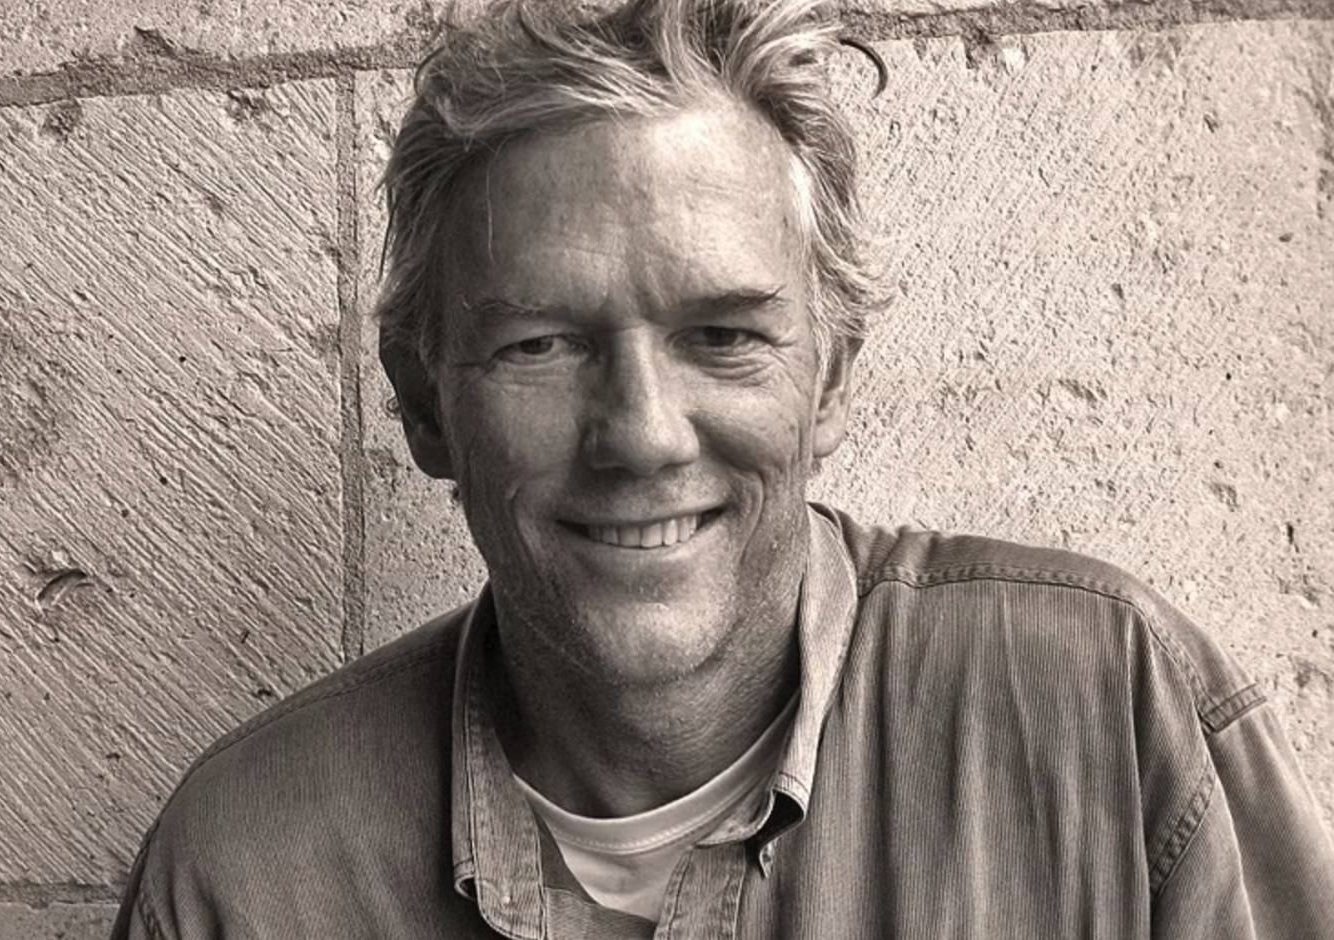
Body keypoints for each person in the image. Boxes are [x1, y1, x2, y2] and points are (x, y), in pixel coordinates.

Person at [110, 0, 1334, 935]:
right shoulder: (245, 875)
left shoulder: (1111, 715)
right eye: (541, 342)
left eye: (726, 336)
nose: (642, 432)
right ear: (425, 402)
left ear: (833, 374)